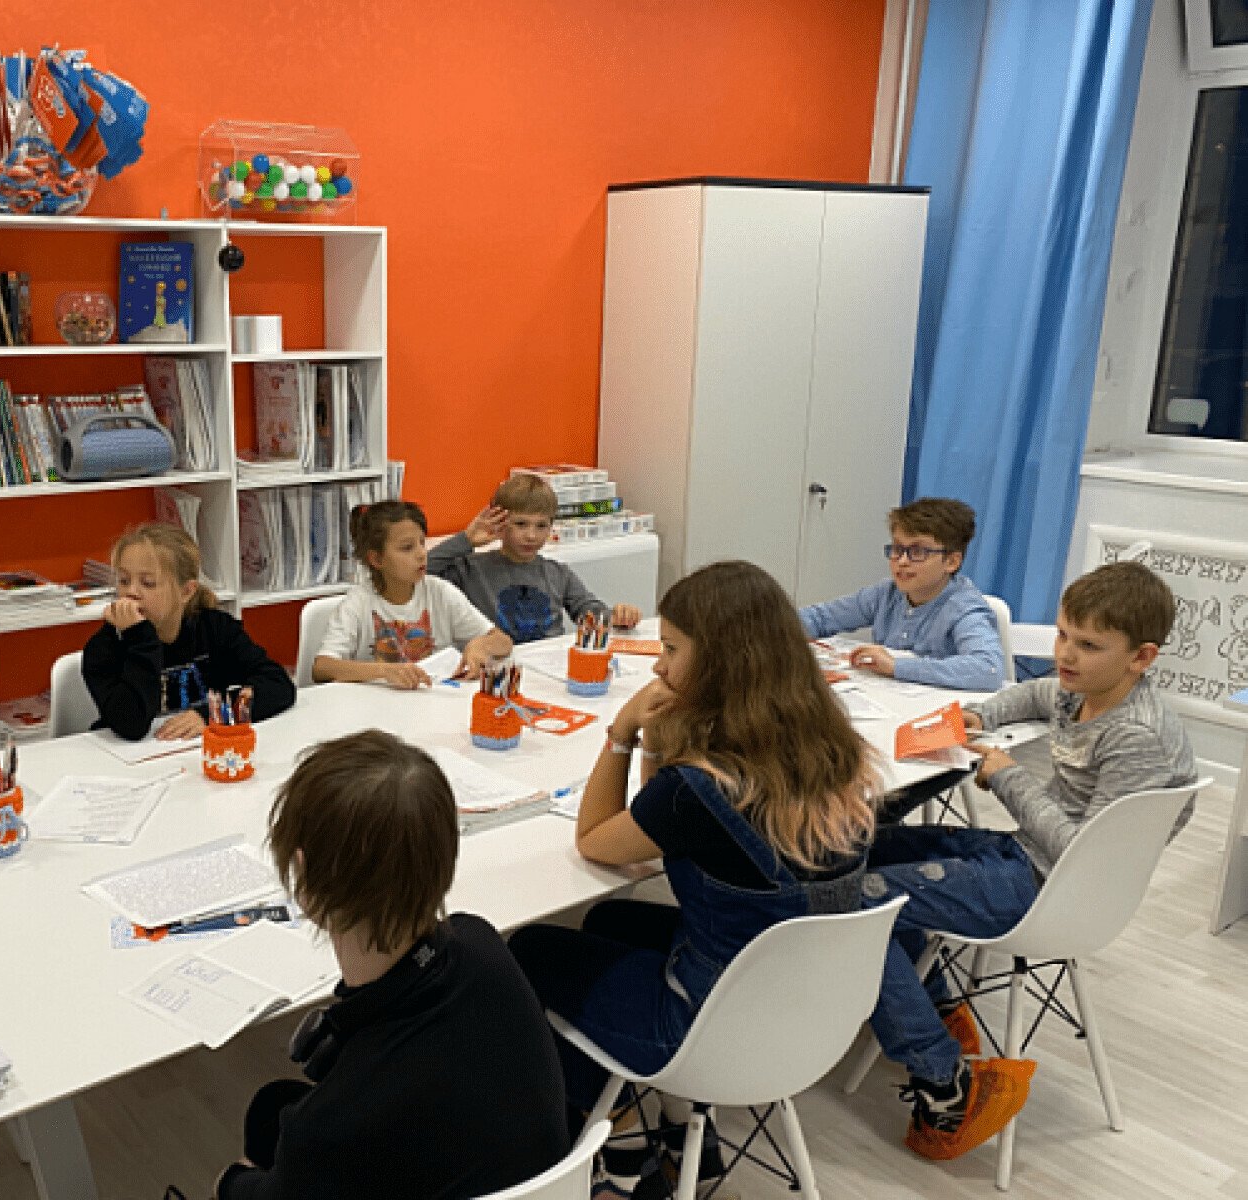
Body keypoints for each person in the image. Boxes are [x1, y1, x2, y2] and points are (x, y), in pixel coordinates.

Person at [508, 560, 879, 1185]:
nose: (658, 667)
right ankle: (689, 1144)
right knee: (610, 919)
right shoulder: (835, 750)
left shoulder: (700, 789)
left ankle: (623, 1146)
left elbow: (598, 841)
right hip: (809, 1012)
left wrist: (623, 732)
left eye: (672, 650)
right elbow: (655, 833)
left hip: (711, 1028)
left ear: (722, 663)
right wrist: (659, 742)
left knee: (528, 951)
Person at [863, 561, 1197, 1162]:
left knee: (866, 902)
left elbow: (1080, 853)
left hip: (1052, 887)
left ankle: (944, 1081)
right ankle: (936, 1008)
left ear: (1141, 658)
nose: (1064, 653)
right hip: (1028, 857)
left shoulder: (1137, 737)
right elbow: (1038, 693)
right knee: (867, 848)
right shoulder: (1084, 690)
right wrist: (985, 715)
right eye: (1064, 634)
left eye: (1088, 645)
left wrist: (1008, 777)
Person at [212, 730, 569, 1200]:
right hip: (537, 1180)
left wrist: (228, 1183)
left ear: (306, 879)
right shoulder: (479, 944)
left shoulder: (328, 1130)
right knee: (272, 1108)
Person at [83, 523, 295, 741]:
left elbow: (278, 685)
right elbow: (131, 726)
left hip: (199, 747)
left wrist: (211, 714)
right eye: (124, 581)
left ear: (186, 591)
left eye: (148, 583)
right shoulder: (104, 647)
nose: (131, 592)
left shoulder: (215, 629)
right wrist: (139, 638)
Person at [797, 497, 1006, 691]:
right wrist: (781, 629)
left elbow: (988, 669)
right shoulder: (886, 593)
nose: (902, 561)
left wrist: (896, 666)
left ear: (951, 562)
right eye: (897, 549)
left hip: (941, 709)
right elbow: (821, 618)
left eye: (918, 552)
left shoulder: (964, 608)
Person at [312, 501, 512, 688]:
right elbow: (321, 668)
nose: (422, 553)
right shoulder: (358, 602)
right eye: (407, 548)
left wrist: (482, 645)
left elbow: (503, 641)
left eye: (422, 543)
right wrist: (384, 671)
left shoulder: (441, 592)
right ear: (377, 559)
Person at [429, 473, 643, 644]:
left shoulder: (558, 573)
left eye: (541, 526)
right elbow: (420, 571)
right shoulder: (470, 569)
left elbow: (588, 610)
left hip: (547, 663)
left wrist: (617, 616)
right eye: (521, 524)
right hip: (496, 663)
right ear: (500, 523)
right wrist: (467, 539)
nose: (531, 536)